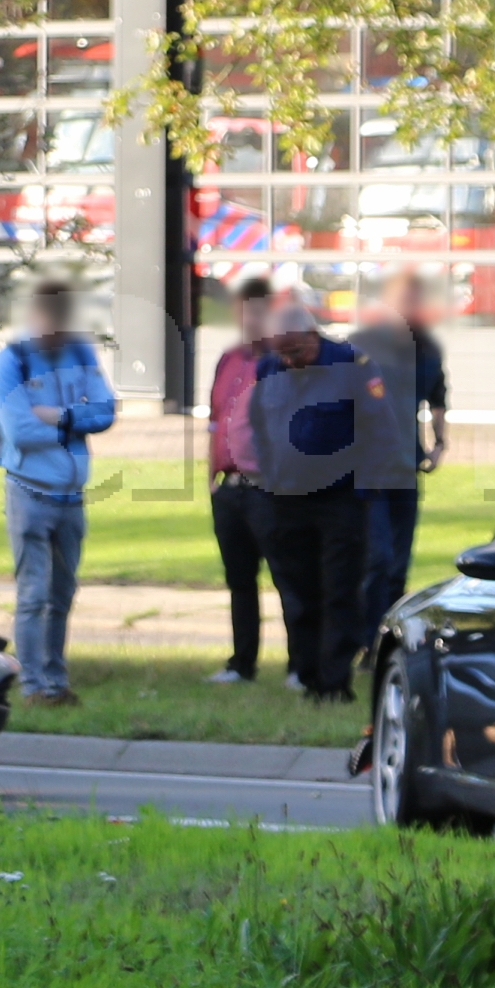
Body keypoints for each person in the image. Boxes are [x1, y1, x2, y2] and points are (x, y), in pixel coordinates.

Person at [0, 276, 117, 709]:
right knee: (33, 594)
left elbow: (104, 411)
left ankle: (56, 682)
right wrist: (73, 421)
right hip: (30, 492)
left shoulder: (79, 353)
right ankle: (32, 686)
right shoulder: (15, 360)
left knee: (62, 594)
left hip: (71, 496)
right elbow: (17, 430)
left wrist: (58, 417)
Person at [245, 294, 367, 699]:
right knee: (298, 593)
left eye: (296, 351)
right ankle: (308, 674)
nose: (290, 361)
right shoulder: (269, 366)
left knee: (339, 592)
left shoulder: (351, 365)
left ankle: (334, 684)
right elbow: (260, 422)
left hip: (338, 501)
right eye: (283, 354)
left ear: (313, 335)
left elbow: (378, 429)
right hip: (285, 499)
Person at [353, 269, 447, 648]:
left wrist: (440, 443)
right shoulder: (363, 346)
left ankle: (386, 640)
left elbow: (438, 397)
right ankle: (364, 639)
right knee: (376, 557)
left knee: (398, 563)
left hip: (405, 469)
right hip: (366, 470)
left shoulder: (427, 350)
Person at [200, 274, 276, 685]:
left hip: (266, 487)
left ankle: (301, 666)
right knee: (239, 579)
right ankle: (242, 663)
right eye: (248, 313)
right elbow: (215, 421)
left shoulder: (283, 363)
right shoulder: (228, 359)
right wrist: (210, 475)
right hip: (227, 488)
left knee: (287, 577)